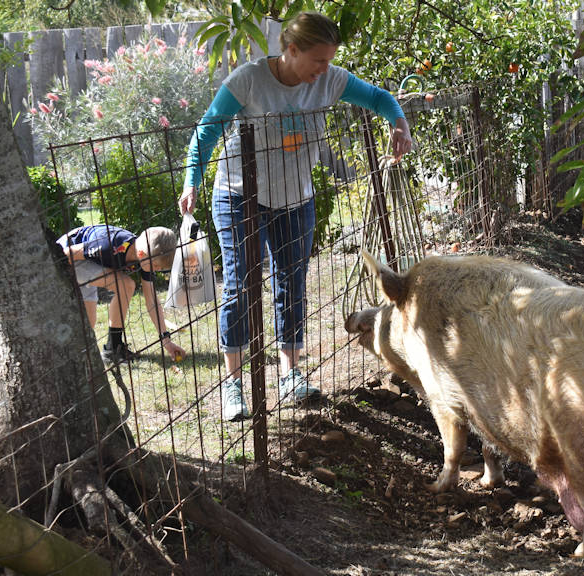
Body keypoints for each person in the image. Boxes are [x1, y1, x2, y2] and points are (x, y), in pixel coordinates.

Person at [179, 11, 414, 422]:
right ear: (291, 50)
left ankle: (290, 374)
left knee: (292, 283)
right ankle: (233, 385)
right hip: (239, 197)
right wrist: (191, 180)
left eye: (329, 60)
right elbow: (207, 130)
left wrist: (399, 122)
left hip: (295, 200)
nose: (325, 69)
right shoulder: (249, 80)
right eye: (318, 60)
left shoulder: (331, 80)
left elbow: (380, 98)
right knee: (241, 287)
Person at [57, 225, 187, 364]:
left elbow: (152, 301)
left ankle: (71, 359)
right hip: (69, 256)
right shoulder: (108, 245)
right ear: (142, 254)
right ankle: (113, 348)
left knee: (89, 323)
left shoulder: (145, 257)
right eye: (156, 266)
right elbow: (65, 254)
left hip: (90, 262)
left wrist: (166, 341)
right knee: (125, 285)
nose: (158, 270)